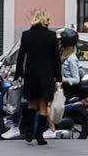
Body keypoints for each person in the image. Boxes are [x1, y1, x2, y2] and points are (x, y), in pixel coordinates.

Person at [16, 12, 61, 146]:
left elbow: (20, 56)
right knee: (43, 106)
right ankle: (39, 135)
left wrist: (19, 73)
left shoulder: (26, 35)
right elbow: (56, 59)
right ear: (44, 21)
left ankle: (29, 131)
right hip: (46, 75)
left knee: (31, 104)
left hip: (31, 75)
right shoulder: (51, 36)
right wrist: (58, 77)